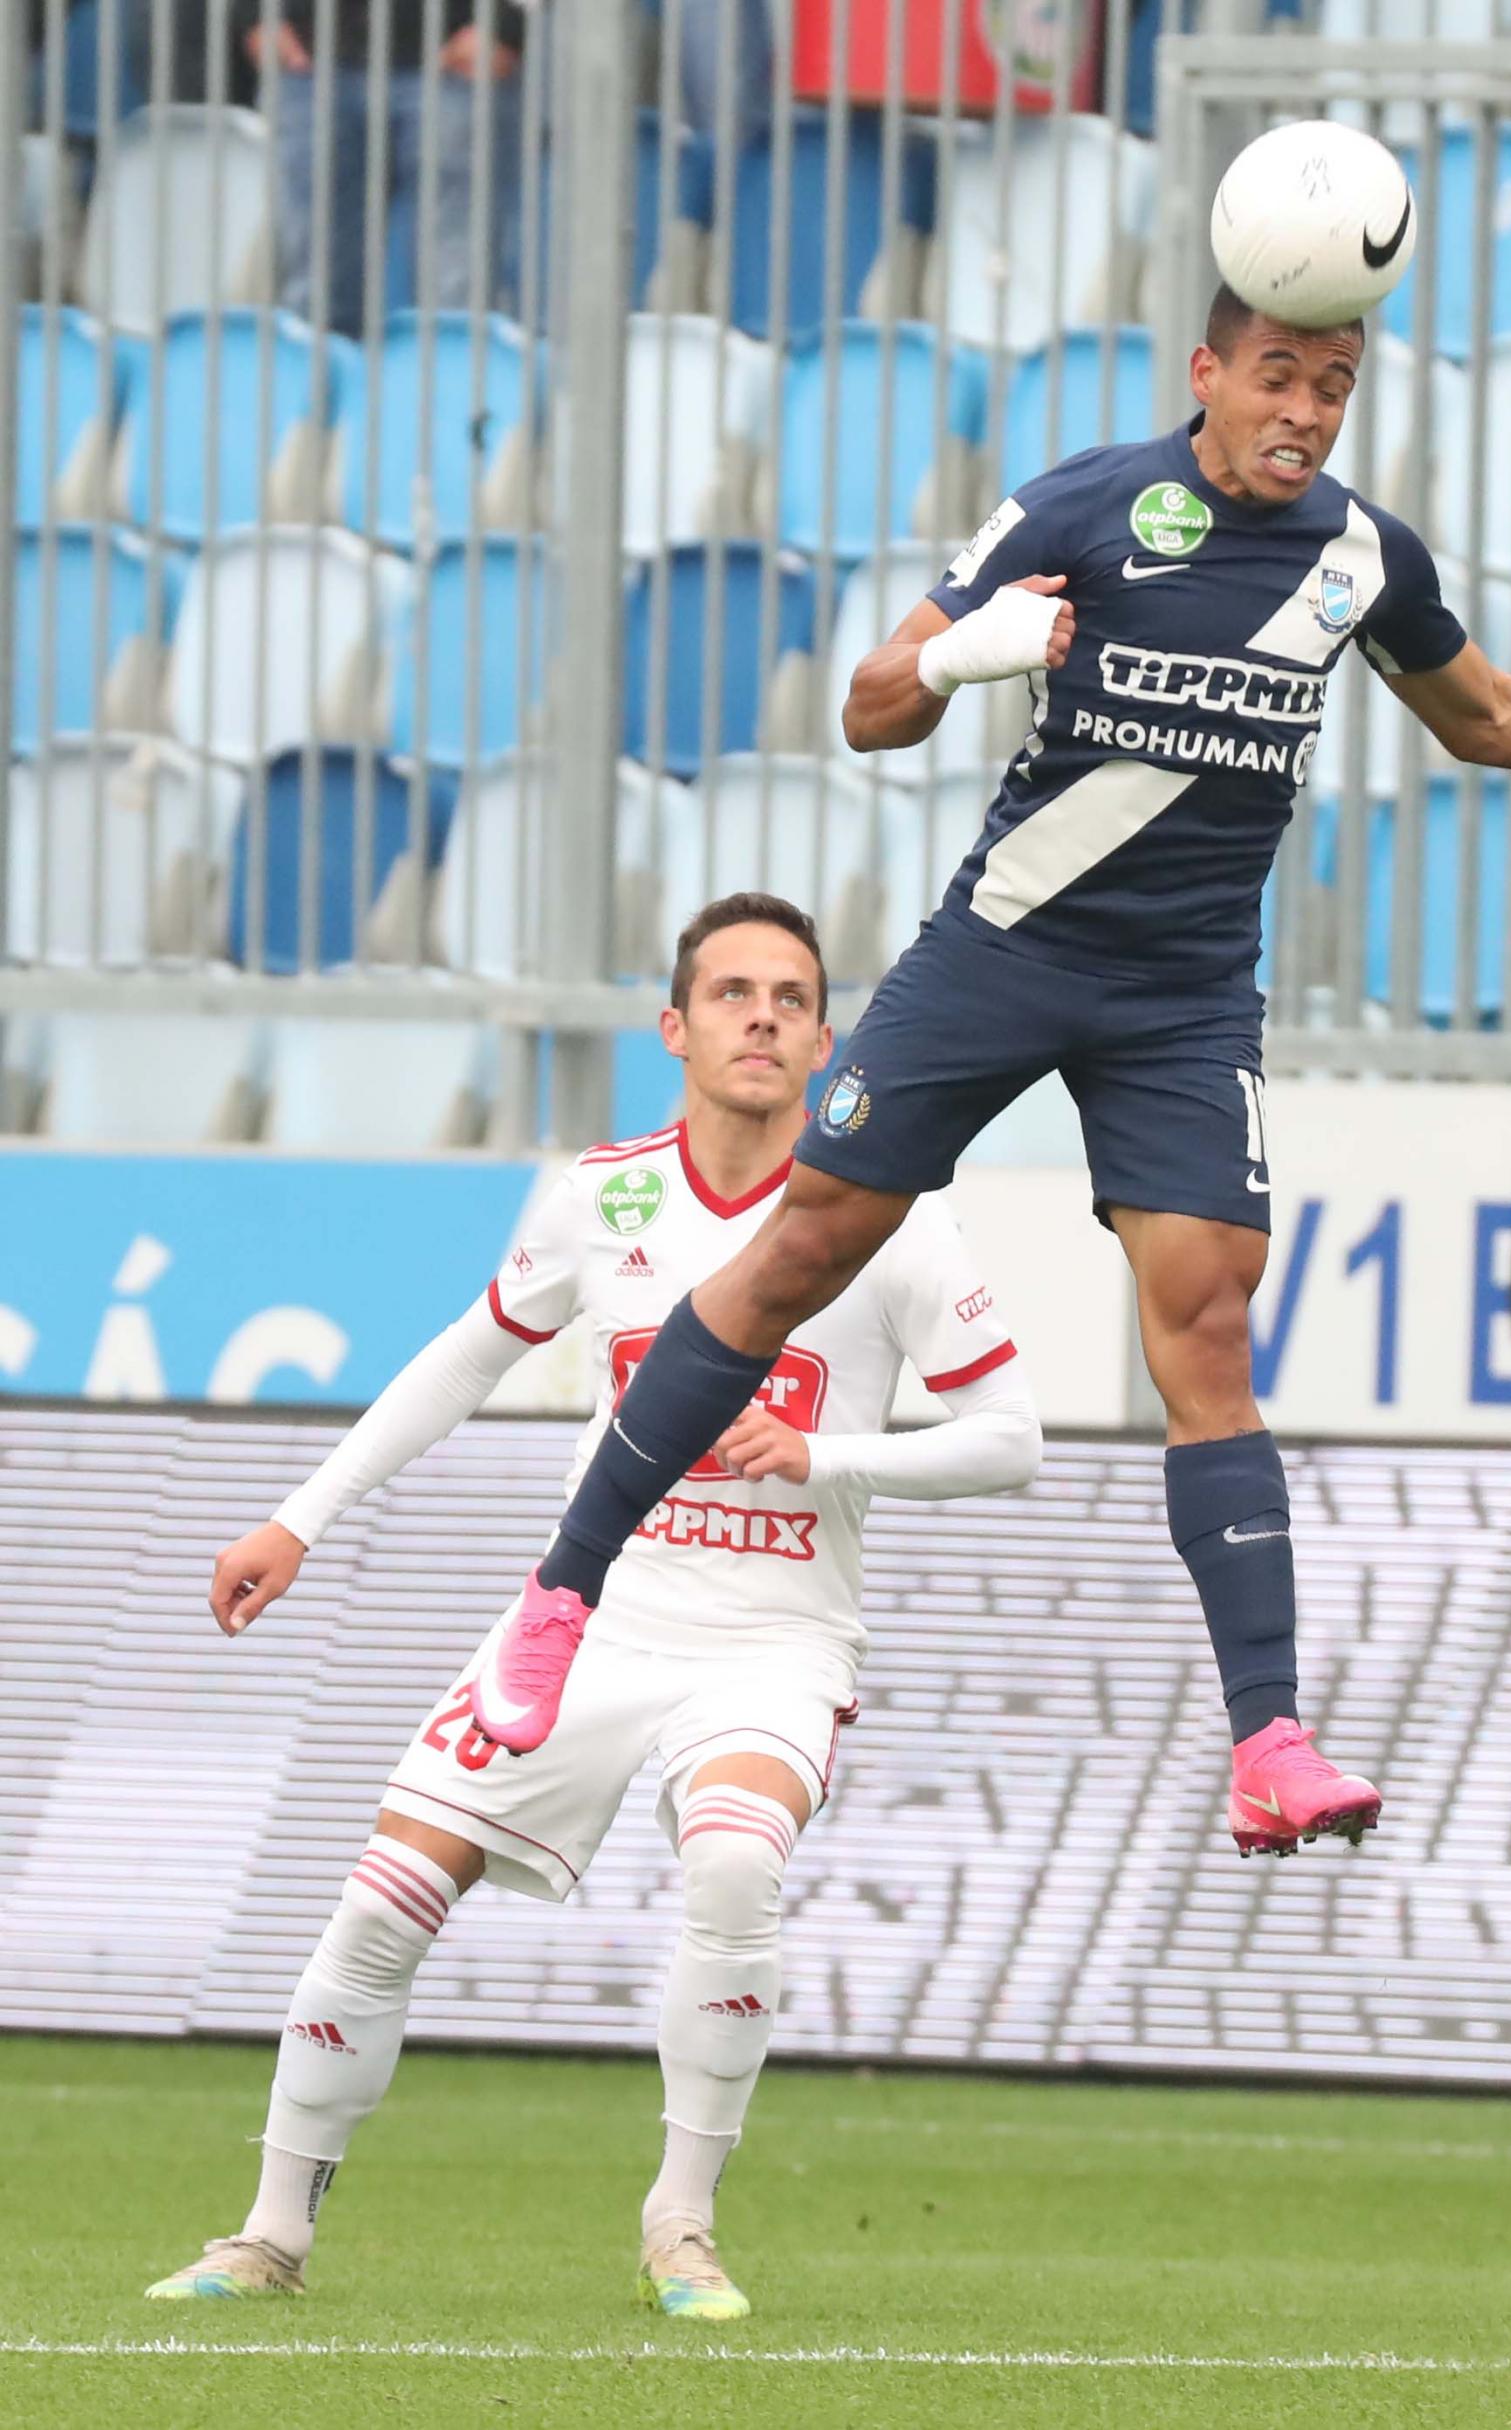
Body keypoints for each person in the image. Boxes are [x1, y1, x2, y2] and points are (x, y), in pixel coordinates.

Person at [467, 283, 1511, 1860]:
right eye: (1276, 375)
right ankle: (562, 1591)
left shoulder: (1364, 556)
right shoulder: (1087, 504)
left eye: (1332, 383)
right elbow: (868, 710)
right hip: (1005, 952)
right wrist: (970, 652)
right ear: (1207, 372)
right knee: (799, 1254)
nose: (1303, 411)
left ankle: (1269, 1741)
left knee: (1211, 1322)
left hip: (1183, 1001)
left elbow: (1497, 716)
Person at [144, 894, 1041, 2319]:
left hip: (772, 1642)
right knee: (382, 1897)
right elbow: (464, 1360)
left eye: (791, 998)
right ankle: (267, 2236)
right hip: (591, 1622)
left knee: (736, 1865)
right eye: (732, 992)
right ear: (674, 1027)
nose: (762, 1017)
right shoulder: (605, 1196)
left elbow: (1012, 1440)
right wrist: (298, 1516)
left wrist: (825, 1453)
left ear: (827, 1042)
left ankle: (681, 2228)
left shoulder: (898, 1220)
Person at [240, 3, 524, 334]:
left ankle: (453, 365)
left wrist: (503, 24)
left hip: (456, 53)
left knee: (457, 292)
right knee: (316, 290)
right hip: (309, 57)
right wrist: (253, 14)